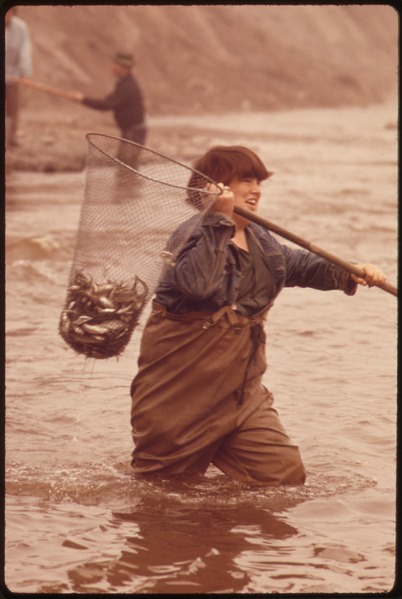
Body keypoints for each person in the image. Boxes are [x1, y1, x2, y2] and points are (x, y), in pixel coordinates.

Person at [130, 145, 386, 486]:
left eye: (259, 181)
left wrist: (350, 272)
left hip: (241, 396)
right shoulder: (191, 234)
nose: (256, 190)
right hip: (177, 398)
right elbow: (198, 286)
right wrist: (219, 219)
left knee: (282, 477)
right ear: (215, 186)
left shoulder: (261, 240)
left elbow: (299, 265)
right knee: (163, 494)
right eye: (246, 180)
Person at [72, 51, 146, 145]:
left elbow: (106, 104)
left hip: (133, 133)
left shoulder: (127, 86)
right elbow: (108, 102)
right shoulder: (124, 83)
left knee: (126, 159)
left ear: (124, 67)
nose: (113, 67)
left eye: (116, 64)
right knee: (123, 158)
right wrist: (82, 99)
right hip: (129, 131)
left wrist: (83, 99)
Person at [5, 6, 33, 147]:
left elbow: (25, 51)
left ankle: (11, 138)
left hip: (12, 75)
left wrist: (25, 73)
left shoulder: (20, 27)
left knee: (12, 108)